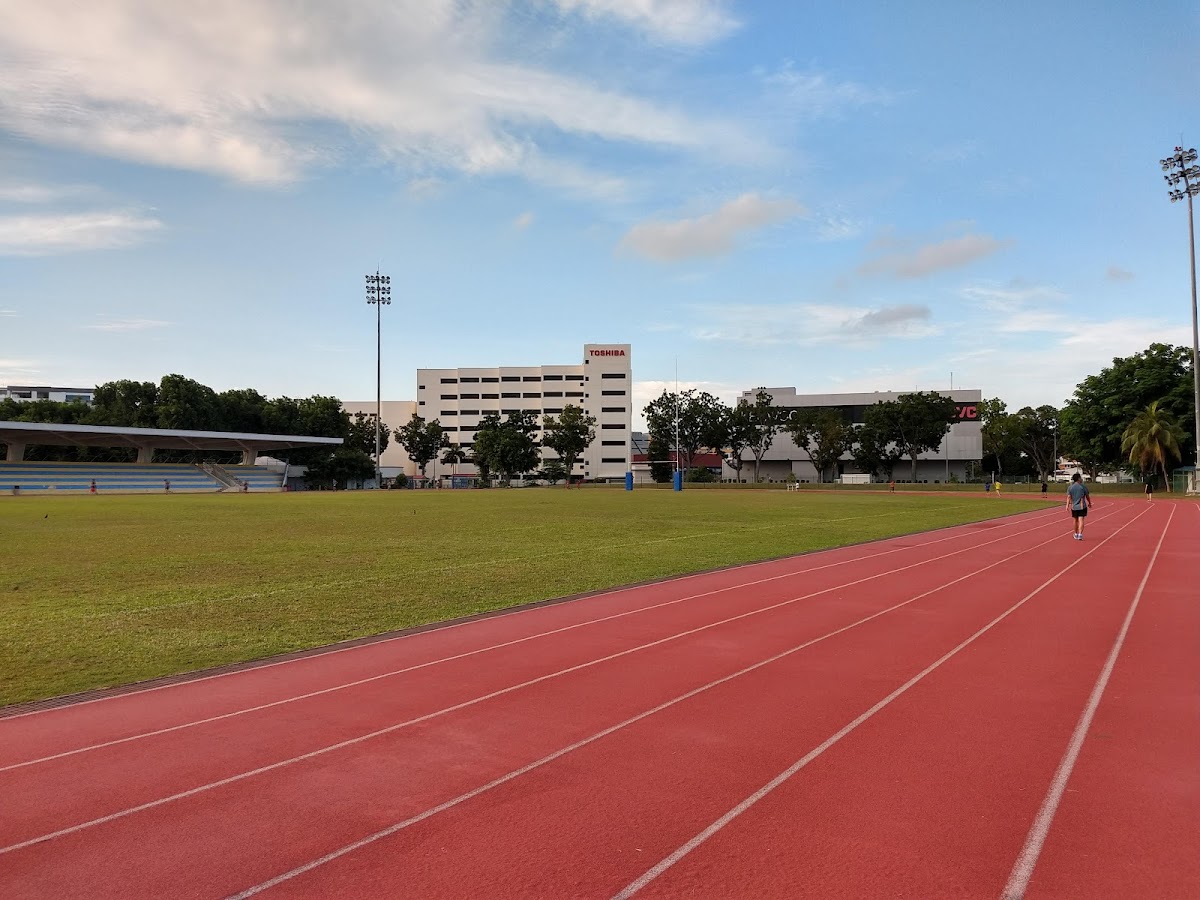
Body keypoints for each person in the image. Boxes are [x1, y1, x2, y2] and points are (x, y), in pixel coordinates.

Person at [1066, 473, 1091, 540]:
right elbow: (1087, 496)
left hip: (1074, 506)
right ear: (1078, 478)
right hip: (1082, 506)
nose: (1081, 479)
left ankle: (1076, 533)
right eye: (1080, 477)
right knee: (1081, 520)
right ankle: (1080, 534)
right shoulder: (1083, 487)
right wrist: (1089, 503)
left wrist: (1067, 505)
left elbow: (1068, 497)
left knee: (1075, 520)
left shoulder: (1070, 487)